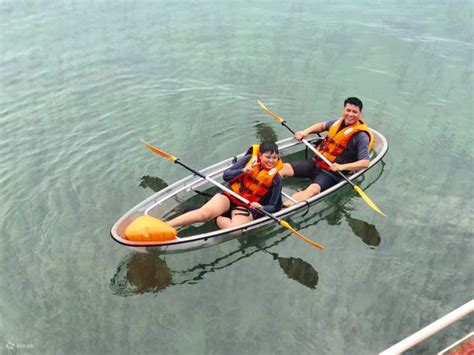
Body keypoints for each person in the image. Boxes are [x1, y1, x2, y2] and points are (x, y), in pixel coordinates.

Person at [280, 97, 374, 206]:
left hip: (332, 173)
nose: (350, 114)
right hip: (315, 163)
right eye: (348, 110)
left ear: (360, 113)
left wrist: (341, 167)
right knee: (282, 168)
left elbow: (365, 163)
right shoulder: (336, 123)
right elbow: (321, 126)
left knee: (312, 190)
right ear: (344, 110)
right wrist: (305, 132)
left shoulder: (361, 136)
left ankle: (284, 208)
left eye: (354, 112)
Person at [167, 141, 283, 230]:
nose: (271, 161)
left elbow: (274, 206)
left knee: (235, 230)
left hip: (246, 205)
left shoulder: (276, 178)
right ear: (260, 155)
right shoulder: (248, 160)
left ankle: (216, 217)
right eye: (267, 157)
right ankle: (167, 225)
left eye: (274, 158)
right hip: (229, 196)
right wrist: (242, 171)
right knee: (204, 214)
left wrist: (261, 207)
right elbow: (226, 176)